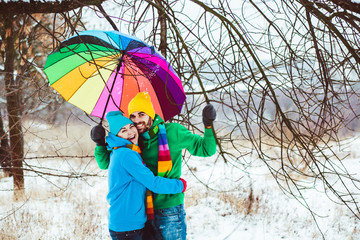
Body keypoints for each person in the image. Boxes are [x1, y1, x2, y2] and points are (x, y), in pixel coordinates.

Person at [91, 92, 217, 240]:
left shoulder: (173, 132)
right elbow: (106, 163)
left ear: (150, 114)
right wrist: (100, 144)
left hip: (168, 208)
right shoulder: (133, 141)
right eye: (133, 116)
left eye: (141, 114)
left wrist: (208, 125)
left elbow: (206, 149)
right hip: (144, 212)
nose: (137, 120)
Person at [101, 111, 187, 240]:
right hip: (128, 226)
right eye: (123, 130)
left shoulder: (120, 150)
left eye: (131, 126)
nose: (130, 132)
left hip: (128, 222)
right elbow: (153, 183)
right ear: (116, 135)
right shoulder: (126, 154)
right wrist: (180, 185)